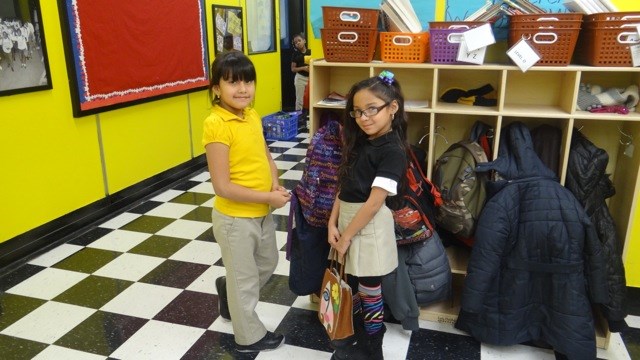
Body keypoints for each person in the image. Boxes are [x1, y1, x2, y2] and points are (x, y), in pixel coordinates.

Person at [202, 51, 290, 353]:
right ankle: (248, 337)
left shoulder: (250, 114)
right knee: (247, 283)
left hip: (261, 213)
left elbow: (263, 155)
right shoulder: (216, 125)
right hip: (235, 220)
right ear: (216, 88)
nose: (243, 89)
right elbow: (222, 186)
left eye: (248, 81)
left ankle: (229, 291)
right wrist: (268, 196)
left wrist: (274, 180)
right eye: (232, 82)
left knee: (268, 262)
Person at [327, 70, 408, 360]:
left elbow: (374, 203)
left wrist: (346, 236)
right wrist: (332, 222)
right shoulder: (361, 141)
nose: (364, 118)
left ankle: (373, 348)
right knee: (355, 286)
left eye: (372, 109)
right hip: (349, 222)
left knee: (370, 289)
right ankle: (358, 337)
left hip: (369, 227)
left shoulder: (393, 151)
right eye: (358, 112)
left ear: (393, 107)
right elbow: (344, 185)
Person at [290, 33, 310, 111]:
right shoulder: (295, 54)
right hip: (300, 78)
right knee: (299, 100)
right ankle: (298, 117)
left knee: (310, 98)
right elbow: (293, 69)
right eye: (295, 42)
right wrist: (303, 68)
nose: (298, 43)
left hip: (311, 78)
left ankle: (310, 115)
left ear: (304, 41)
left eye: (299, 40)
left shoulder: (310, 52)